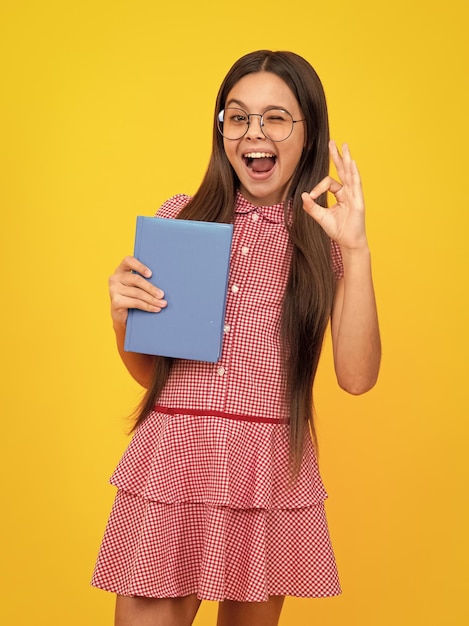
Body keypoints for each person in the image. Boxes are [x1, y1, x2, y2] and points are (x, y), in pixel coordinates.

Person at [92, 50, 381, 626]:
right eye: (237, 115)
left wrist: (356, 248)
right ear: (221, 127)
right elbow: (158, 375)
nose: (255, 133)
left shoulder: (323, 240)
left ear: (309, 133)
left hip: (266, 470)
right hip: (173, 462)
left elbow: (357, 376)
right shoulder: (183, 220)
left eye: (276, 117)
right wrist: (124, 321)